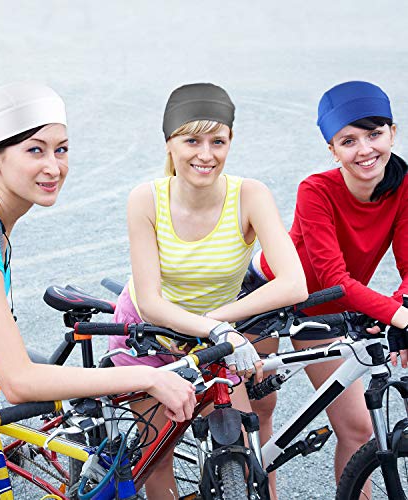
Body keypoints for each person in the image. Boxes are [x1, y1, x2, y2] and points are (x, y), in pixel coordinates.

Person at [0, 83, 197, 499]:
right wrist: (146, 376)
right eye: (35, 150)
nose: (54, 166)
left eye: (61, 149)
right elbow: (19, 383)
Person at [108, 82, 308, 499]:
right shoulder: (145, 199)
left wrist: (214, 326)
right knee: (157, 457)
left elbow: (295, 283)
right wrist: (216, 329)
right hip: (149, 337)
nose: (205, 154)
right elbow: (150, 302)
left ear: (230, 142)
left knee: (240, 445)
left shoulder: (249, 195)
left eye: (218, 141)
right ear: (169, 144)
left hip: (213, 340)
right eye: (191, 140)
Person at [244, 80, 408, 488]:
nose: (366, 149)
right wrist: (396, 314)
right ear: (332, 151)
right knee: (260, 408)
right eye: (348, 141)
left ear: (393, 132)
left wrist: (396, 308)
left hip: (327, 305)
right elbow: (334, 275)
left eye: (375, 134)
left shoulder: (403, 186)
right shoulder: (315, 190)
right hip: (267, 295)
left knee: (357, 429)